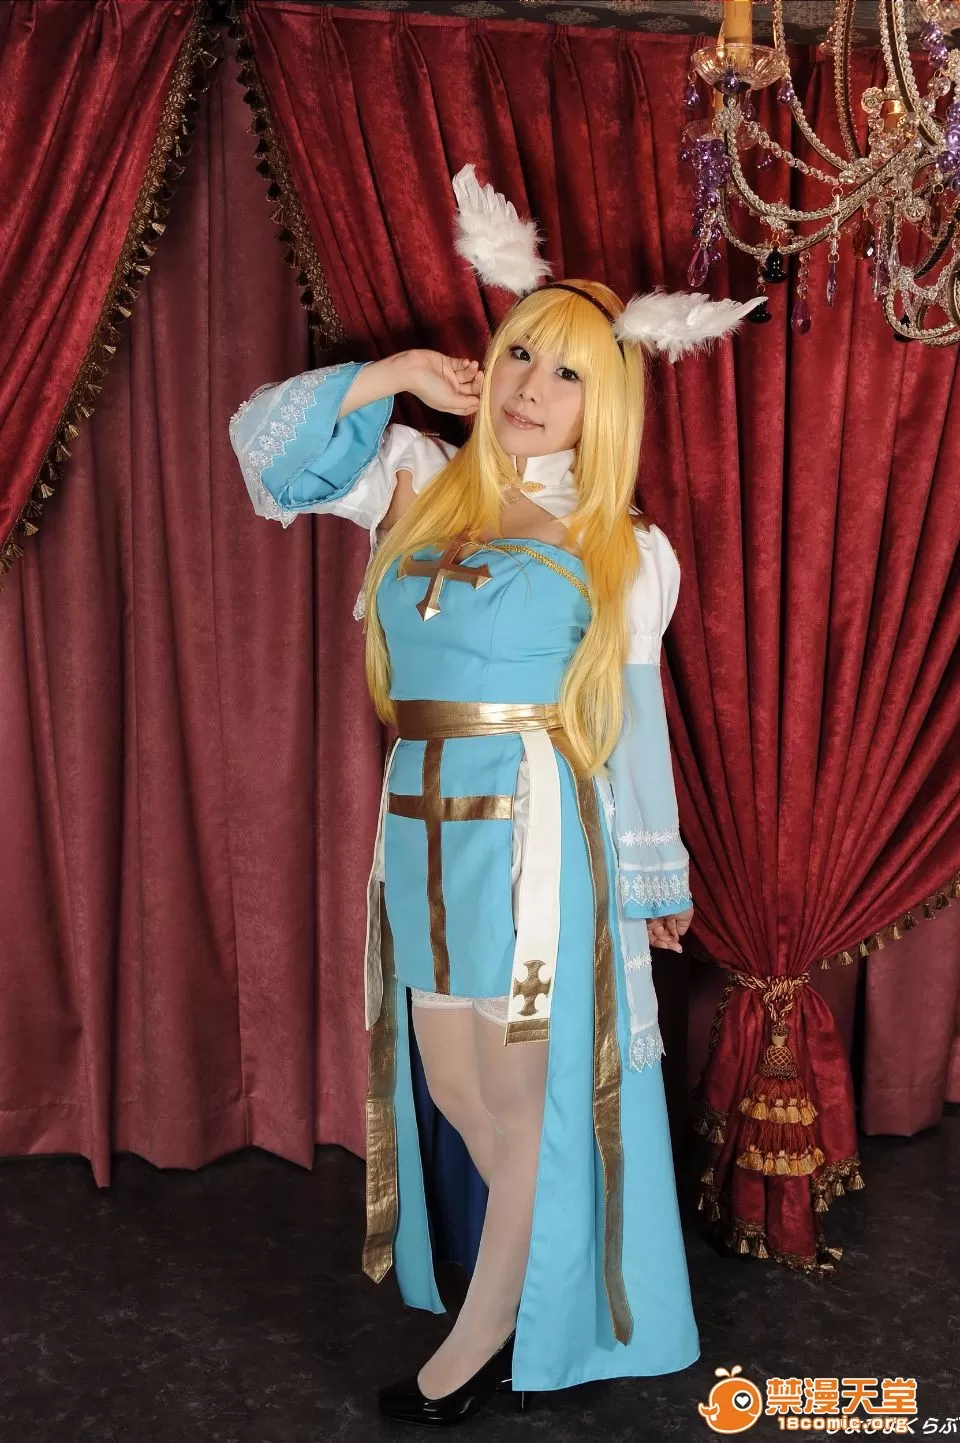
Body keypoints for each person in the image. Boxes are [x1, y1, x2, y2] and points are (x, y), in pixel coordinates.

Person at [229, 172, 758, 1427]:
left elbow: (629, 727)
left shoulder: (624, 548)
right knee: (459, 1092)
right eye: (520, 352)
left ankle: (478, 1344)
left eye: (569, 372)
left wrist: (653, 883)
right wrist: (396, 373)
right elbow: (264, 444)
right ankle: (527, 1285)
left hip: (536, 846)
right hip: (417, 830)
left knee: (521, 1099)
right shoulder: (416, 479)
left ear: (607, 399)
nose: (531, 387)